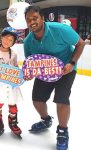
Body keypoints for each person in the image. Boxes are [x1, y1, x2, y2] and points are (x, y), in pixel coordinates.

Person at [24, 6, 85, 150]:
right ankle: (46, 120)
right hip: (45, 72)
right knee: (37, 100)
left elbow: (80, 43)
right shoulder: (28, 41)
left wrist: (72, 63)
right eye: (28, 20)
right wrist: (29, 73)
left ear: (42, 19)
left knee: (61, 99)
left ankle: (63, 131)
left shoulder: (60, 30)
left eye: (35, 18)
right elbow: (31, 63)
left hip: (66, 69)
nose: (32, 22)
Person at [0, 27, 23, 139]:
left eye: (11, 40)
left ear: (13, 42)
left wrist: (20, 75)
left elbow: (16, 67)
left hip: (12, 85)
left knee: (12, 105)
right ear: (1, 37)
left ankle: (12, 122)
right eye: (6, 38)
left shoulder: (13, 54)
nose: (7, 41)